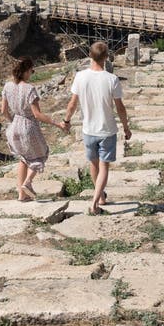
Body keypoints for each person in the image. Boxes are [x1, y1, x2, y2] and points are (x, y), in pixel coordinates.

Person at [64, 41, 131, 215]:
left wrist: (66, 120)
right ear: (106, 58)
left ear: (89, 55)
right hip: (107, 129)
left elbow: (72, 103)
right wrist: (126, 126)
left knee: (94, 165)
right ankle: (95, 202)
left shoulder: (80, 76)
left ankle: (100, 196)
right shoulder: (112, 79)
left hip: (88, 129)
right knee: (104, 167)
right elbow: (120, 107)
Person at [1, 57, 67, 201]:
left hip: (14, 126)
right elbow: (37, 114)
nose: (32, 73)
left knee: (24, 159)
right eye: (31, 70)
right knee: (40, 155)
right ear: (25, 71)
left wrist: (13, 121)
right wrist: (57, 124)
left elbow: (3, 111)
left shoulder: (7, 86)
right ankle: (28, 182)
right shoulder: (29, 89)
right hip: (28, 127)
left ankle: (21, 195)